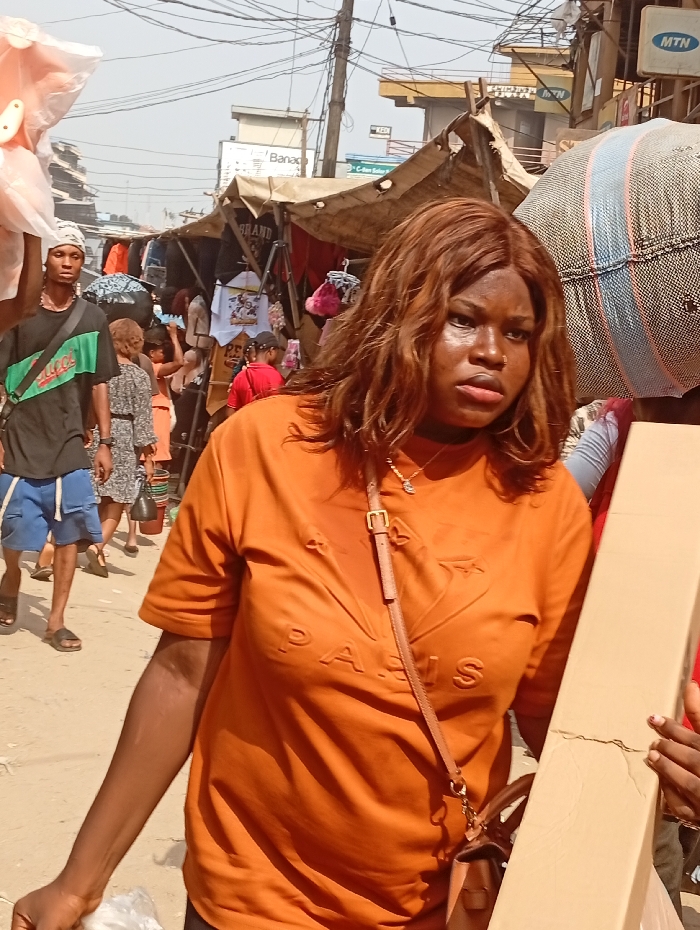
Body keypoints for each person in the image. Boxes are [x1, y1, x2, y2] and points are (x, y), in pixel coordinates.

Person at [11, 199, 597, 929]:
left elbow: (560, 724)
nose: (492, 352)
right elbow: (182, 673)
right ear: (399, 313)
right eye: (462, 319)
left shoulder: (546, 506)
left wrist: (664, 768)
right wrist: (79, 882)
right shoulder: (265, 449)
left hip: (429, 910)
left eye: (518, 333)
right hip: (246, 898)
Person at [0, 220, 119, 652]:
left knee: (70, 530)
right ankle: (12, 577)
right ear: (45, 260)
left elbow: (100, 381)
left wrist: (105, 442)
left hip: (71, 440)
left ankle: (56, 621)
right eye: (59, 254)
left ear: (82, 264)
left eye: (75, 256)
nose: (67, 262)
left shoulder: (93, 319)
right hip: (20, 435)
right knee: (13, 526)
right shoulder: (19, 313)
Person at [84, 319, 157, 578]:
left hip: (95, 432)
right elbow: (143, 420)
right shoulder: (139, 376)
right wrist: (148, 457)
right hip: (125, 437)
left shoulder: (97, 370)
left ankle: (82, 547)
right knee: (118, 499)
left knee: (95, 492)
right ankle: (97, 546)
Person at [142, 321, 184, 466]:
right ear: (151, 353)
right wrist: (174, 336)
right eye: (162, 351)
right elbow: (179, 362)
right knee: (155, 458)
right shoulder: (151, 367)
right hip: (156, 411)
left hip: (156, 410)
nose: (165, 354)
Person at [226, 330, 283, 414]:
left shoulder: (240, 376)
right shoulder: (275, 377)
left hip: (244, 421)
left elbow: (230, 411)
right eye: (277, 352)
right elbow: (278, 411)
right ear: (271, 351)